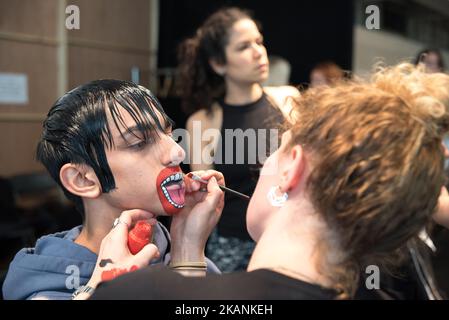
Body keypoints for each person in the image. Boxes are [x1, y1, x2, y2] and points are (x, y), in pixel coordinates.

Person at [85, 62, 449, 299]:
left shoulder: (138, 291)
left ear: (291, 170)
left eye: (274, 153)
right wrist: (188, 252)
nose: (175, 153)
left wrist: (105, 285)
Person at [2, 80, 223, 300]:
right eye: (139, 143)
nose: (177, 152)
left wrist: (188, 252)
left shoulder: (177, 253)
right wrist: (101, 290)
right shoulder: (48, 289)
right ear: (82, 179)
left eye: (169, 134)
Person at [178, 7, 300, 272]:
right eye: (244, 46)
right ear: (218, 63)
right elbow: (205, 198)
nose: (259, 51)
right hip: (231, 247)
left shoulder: (288, 100)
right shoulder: (203, 121)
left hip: (288, 235)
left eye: (259, 41)